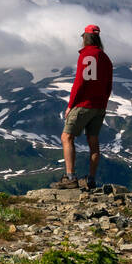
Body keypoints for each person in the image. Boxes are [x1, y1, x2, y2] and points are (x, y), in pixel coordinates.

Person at [52, 24, 112, 190]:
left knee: (67, 137)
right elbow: (108, 85)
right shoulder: (105, 58)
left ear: (85, 38)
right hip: (99, 106)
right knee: (93, 141)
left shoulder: (86, 55)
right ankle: (91, 179)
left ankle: (70, 177)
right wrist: (103, 104)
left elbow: (80, 82)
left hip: (83, 104)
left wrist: (71, 105)